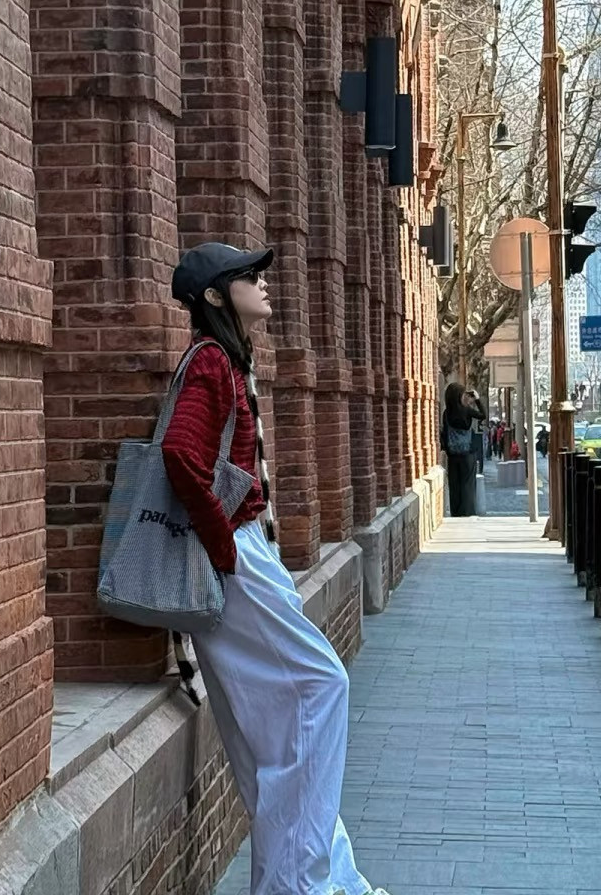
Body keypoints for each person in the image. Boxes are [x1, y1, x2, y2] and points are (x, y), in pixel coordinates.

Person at [162, 241, 391, 895]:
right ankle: (301, 887)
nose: (263, 285)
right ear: (214, 296)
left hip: (239, 550)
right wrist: (226, 546)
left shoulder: (226, 360)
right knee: (322, 688)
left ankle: (330, 881)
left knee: (272, 726)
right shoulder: (210, 362)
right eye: (247, 277)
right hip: (232, 551)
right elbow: (181, 455)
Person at [441, 383, 480, 517]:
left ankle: (456, 512)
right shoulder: (466, 410)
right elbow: (483, 415)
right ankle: (468, 511)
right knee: (467, 484)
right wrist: (477, 399)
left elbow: (445, 433)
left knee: (454, 485)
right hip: (467, 453)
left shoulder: (446, 413)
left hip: (452, 454)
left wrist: (446, 448)